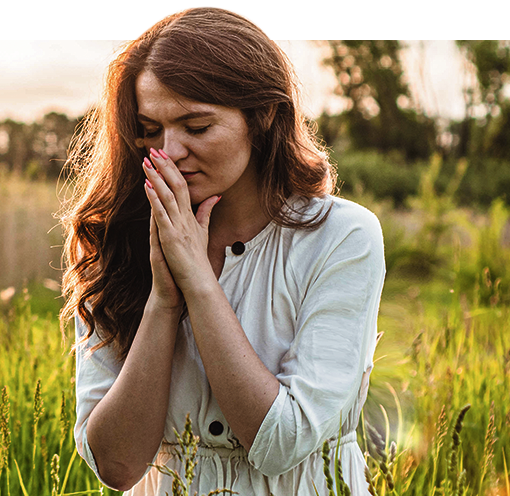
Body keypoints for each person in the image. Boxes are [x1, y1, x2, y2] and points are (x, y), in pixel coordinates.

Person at [60, 6, 385, 495]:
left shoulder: (341, 237)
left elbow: (281, 444)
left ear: (263, 116)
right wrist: (164, 302)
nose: (168, 151)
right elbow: (117, 465)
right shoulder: (116, 241)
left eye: (196, 126)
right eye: (150, 130)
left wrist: (198, 281)